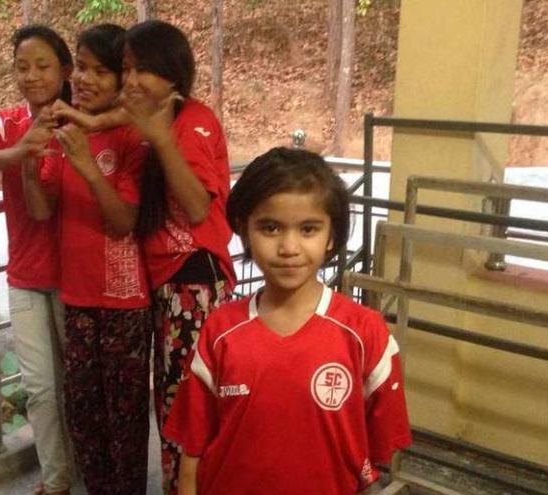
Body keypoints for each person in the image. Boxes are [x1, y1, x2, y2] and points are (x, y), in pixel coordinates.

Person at [163, 147, 411, 495]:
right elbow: (193, 449)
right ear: (244, 231)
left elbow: (378, 455)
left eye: (308, 229)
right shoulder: (221, 331)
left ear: (333, 237)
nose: (289, 247)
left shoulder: (365, 332)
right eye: (270, 228)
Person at [23, 24, 151, 495]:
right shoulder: (66, 129)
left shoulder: (133, 136)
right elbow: (40, 209)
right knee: (86, 420)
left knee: (125, 423)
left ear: (122, 80)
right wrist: (27, 161)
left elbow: (123, 222)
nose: (84, 78)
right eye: (80, 66)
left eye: (100, 70)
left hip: (125, 304)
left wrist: (87, 168)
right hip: (75, 298)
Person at [119, 20, 237, 494]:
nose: (131, 80)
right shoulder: (161, 118)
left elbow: (196, 206)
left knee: (189, 399)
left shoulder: (190, 122)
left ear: (172, 73)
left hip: (195, 282)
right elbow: (111, 116)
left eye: (143, 68)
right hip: (171, 283)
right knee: (172, 397)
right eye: (126, 68)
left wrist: (162, 139)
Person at [0, 25, 75, 495]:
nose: (30, 75)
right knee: (42, 390)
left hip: (80, 278)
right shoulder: (5, 120)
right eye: (21, 66)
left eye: (42, 65)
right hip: (27, 276)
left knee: (82, 388)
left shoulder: (83, 119)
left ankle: (93, 467)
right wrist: (21, 150)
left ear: (66, 70)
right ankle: (56, 481)